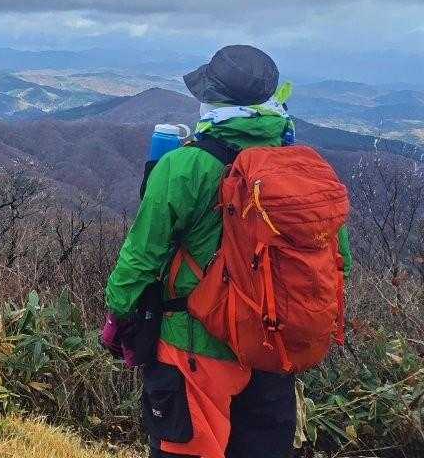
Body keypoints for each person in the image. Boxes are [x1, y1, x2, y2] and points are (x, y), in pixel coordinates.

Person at [102, 45, 353, 458]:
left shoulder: (184, 166)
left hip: (195, 347)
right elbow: (340, 260)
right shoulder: (304, 170)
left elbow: (141, 257)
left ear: (213, 101)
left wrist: (119, 315)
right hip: (272, 350)